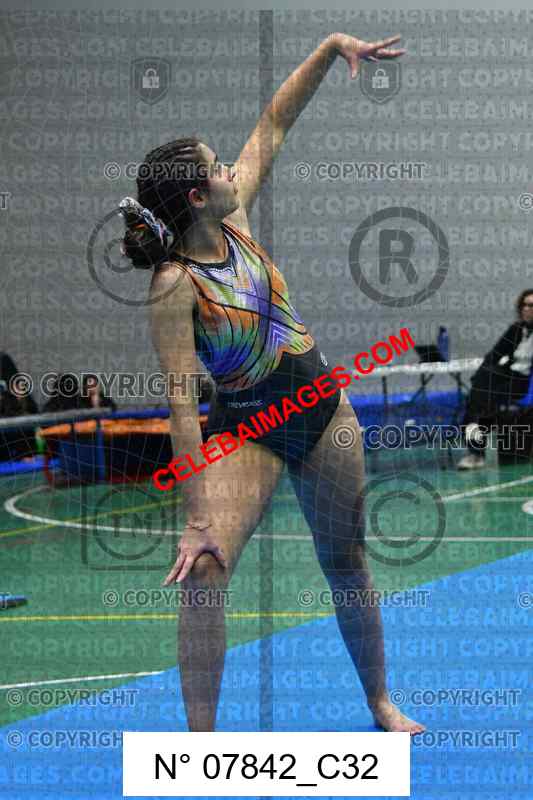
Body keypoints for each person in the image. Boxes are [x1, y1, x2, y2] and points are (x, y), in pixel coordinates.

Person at [122, 32, 424, 734]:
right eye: (217, 167)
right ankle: (200, 748)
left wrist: (330, 49)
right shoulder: (174, 285)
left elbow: (275, 123)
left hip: (320, 410)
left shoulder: (235, 219)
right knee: (205, 570)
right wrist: (198, 516)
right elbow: (180, 404)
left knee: (344, 559)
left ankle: (379, 702)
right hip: (248, 429)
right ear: (198, 196)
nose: (231, 169)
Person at [458, 289, 533, 469]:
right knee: (480, 396)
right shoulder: (516, 329)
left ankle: (476, 453)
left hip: (525, 382)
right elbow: (494, 354)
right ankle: (476, 452)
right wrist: (479, 376)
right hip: (509, 376)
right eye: (524, 305)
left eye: (531, 305)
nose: (526, 309)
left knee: (476, 403)